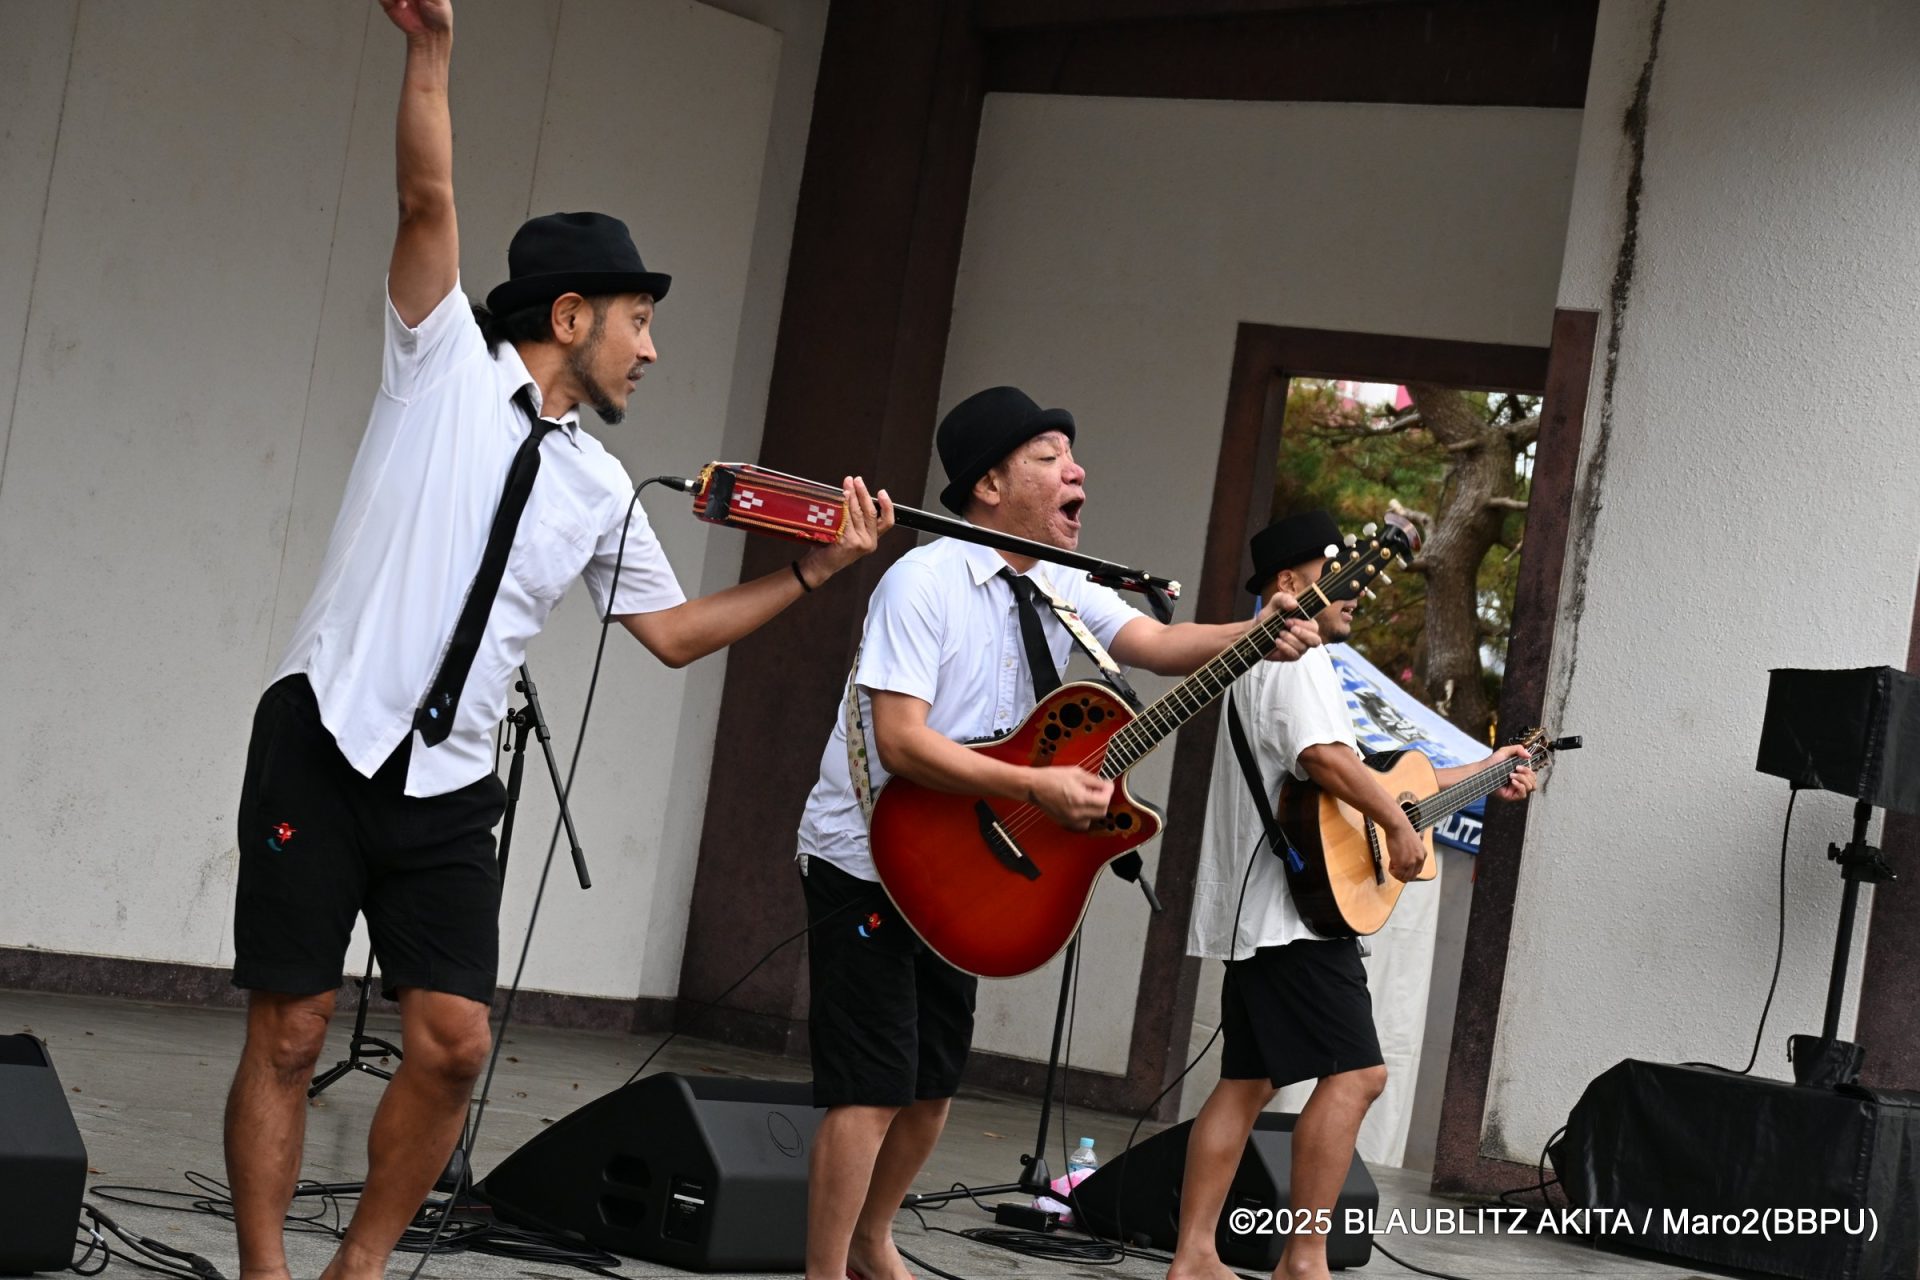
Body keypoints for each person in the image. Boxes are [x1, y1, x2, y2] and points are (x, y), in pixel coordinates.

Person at [221, 3, 891, 1278]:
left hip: (448, 783)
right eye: (640, 319)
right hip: (327, 733)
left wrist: (815, 570)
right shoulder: (439, 364)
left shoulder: (597, 482)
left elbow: (674, 634)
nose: (654, 347)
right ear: (571, 315)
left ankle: (357, 1267)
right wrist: (431, 51)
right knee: (292, 1029)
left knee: (455, 1043)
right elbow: (427, 202)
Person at [793, 386, 1323, 1280]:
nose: (1076, 472)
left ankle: (872, 1242)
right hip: (871, 855)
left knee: (931, 1088)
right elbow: (902, 741)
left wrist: (1254, 631)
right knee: (872, 1086)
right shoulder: (921, 581)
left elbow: (1153, 645)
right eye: (1048, 457)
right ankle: (822, 1271)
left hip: (970, 858)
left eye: (1071, 456)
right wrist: (1036, 784)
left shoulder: (1060, 582)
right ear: (989, 485)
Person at [1170, 510, 1536, 1280]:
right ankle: (1304, 1259)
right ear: (1289, 582)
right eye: (1336, 575)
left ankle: (1195, 1256)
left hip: (1264, 913)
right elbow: (1327, 762)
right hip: (1293, 916)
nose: (1356, 591)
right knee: (1359, 1075)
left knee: (1244, 1084)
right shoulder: (1293, 657)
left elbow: (1379, 776)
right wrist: (1396, 828)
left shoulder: (1260, 658)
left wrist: (1486, 770)